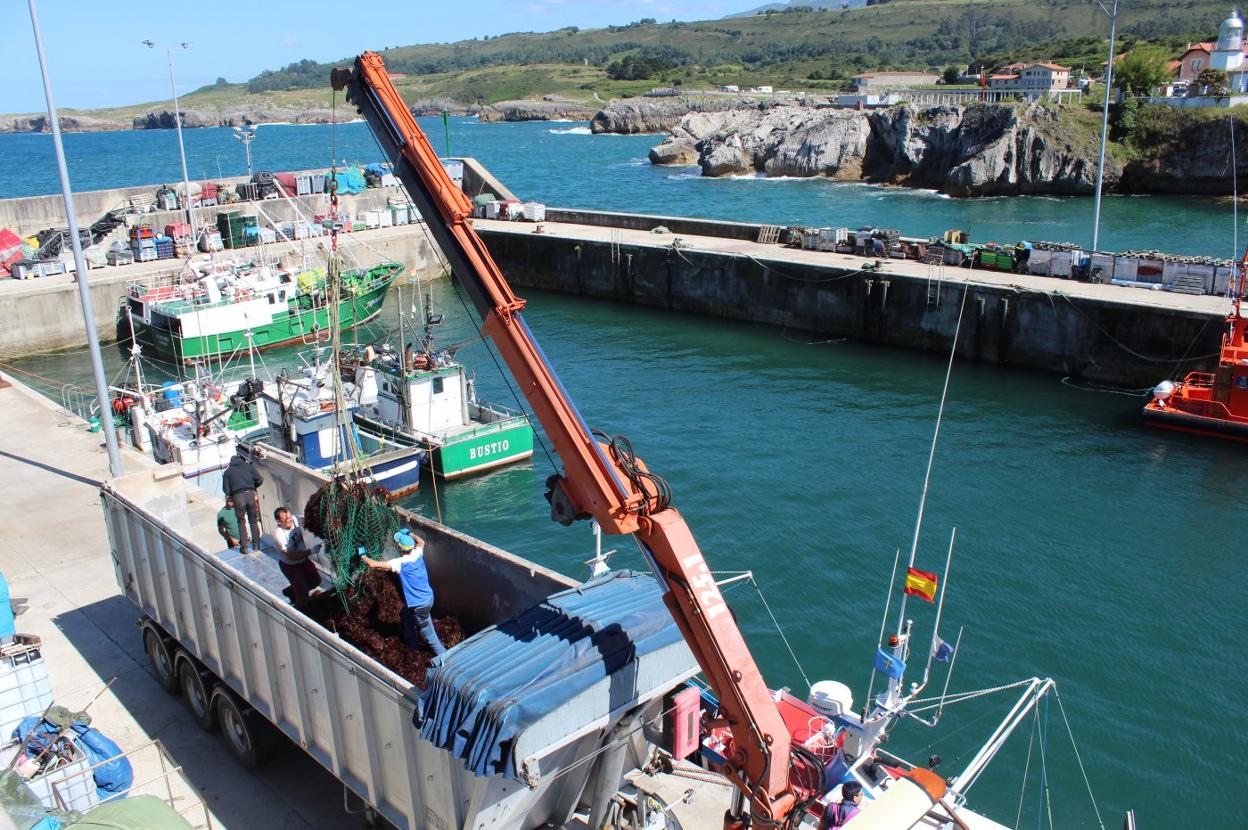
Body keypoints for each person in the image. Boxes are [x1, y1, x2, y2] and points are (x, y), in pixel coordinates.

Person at [361, 530, 445, 655]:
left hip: (419, 605)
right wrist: (410, 534)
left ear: (400, 548)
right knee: (405, 616)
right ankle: (413, 646)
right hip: (428, 597)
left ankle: (445, 657)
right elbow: (421, 541)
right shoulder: (417, 553)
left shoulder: (400, 563)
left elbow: (373, 564)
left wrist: (362, 555)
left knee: (429, 635)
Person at [273, 507, 320, 612]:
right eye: (286, 519)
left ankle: (291, 591)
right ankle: (302, 609)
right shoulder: (279, 535)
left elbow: (308, 519)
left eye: (290, 517)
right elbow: (292, 555)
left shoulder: (295, 519)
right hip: (290, 566)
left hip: (303, 560)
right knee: (303, 598)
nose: (290, 520)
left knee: (316, 580)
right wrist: (311, 551)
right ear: (279, 522)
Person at [222, 445, 263, 555]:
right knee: (253, 521)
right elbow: (260, 479)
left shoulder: (227, 472)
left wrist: (232, 495)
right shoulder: (248, 467)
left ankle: (244, 548)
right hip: (250, 494)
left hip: (238, 497)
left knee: (241, 522)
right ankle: (256, 545)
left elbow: (226, 489)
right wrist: (253, 487)